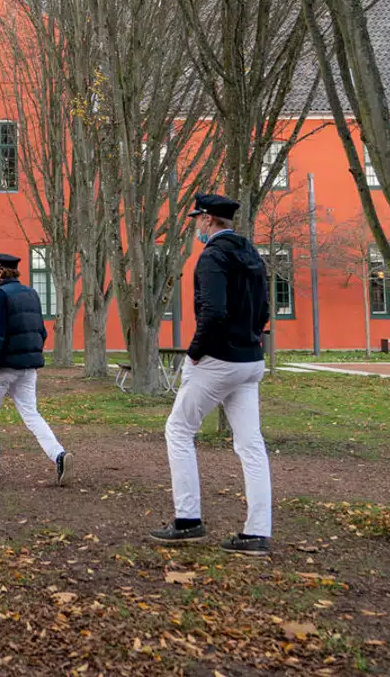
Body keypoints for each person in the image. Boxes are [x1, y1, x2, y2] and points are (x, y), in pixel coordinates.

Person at [151, 194, 273, 557]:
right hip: (250, 359)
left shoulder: (213, 256)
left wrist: (194, 352)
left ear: (206, 220)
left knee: (178, 429)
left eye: (196, 222)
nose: (195, 229)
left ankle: (188, 519)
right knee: (251, 444)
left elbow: (213, 311)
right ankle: (257, 532)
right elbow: (264, 308)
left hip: (218, 359)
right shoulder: (252, 254)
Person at [0, 252, 68, 484]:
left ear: (0, 271)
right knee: (31, 414)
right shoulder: (31, 293)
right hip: (28, 366)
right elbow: (41, 331)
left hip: (3, 366)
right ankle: (59, 454)